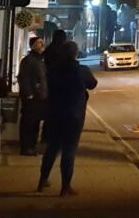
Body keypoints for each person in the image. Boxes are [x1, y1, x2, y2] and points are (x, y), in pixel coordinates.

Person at [39, 41, 97, 196]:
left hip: (55, 113)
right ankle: (65, 187)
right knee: (69, 151)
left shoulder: (53, 70)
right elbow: (93, 84)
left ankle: (42, 180)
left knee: (52, 148)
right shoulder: (81, 70)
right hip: (74, 115)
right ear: (75, 53)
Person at [17, 37, 48, 155]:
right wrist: (29, 93)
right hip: (32, 98)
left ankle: (32, 146)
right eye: (39, 43)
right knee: (28, 123)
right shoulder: (29, 60)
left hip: (39, 98)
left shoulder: (39, 60)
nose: (42, 45)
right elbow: (23, 78)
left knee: (35, 124)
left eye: (42, 43)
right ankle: (26, 147)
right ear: (33, 45)